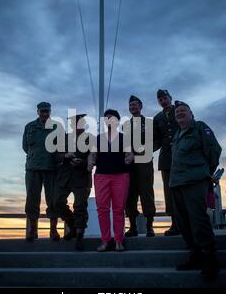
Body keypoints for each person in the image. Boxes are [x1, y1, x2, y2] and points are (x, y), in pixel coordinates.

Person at [169, 100, 222, 278]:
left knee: (197, 218)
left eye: (183, 110)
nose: (179, 113)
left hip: (195, 181)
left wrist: (205, 171)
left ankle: (210, 258)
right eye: (177, 112)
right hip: (176, 183)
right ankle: (195, 254)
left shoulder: (200, 127)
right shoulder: (177, 134)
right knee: (183, 221)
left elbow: (214, 150)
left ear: (191, 113)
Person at [88, 109, 134, 252]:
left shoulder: (124, 138)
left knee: (119, 209)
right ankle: (105, 240)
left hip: (120, 176)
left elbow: (130, 154)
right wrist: (90, 163)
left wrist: (128, 159)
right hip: (102, 176)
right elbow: (92, 155)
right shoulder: (98, 138)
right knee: (102, 209)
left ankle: (119, 240)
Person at [23, 102, 60, 241]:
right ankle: (33, 230)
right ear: (38, 111)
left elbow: (60, 147)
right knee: (32, 200)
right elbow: (25, 147)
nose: (45, 114)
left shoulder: (56, 127)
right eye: (42, 111)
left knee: (53, 200)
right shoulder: (29, 127)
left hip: (51, 168)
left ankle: (53, 230)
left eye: (47, 111)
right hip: (33, 168)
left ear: (50, 112)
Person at [54, 114, 91, 251]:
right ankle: (73, 226)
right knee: (57, 202)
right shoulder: (63, 138)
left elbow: (95, 157)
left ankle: (80, 236)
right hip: (64, 177)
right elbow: (55, 156)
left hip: (81, 177)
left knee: (80, 205)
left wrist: (82, 162)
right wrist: (65, 156)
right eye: (74, 123)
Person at [124, 95, 156, 238]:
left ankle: (150, 227)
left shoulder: (148, 123)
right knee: (130, 196)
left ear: (141, 107)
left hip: (144, 164)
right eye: (131, 105)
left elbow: (156, 141)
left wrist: (147, 149)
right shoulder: (126, 125)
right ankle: (133, 227)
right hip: (130, 165)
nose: (133, 107)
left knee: (146, 194)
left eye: (135, 105)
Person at [153, 89, 180, 236]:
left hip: (181, 157)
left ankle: (185, 223)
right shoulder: (158, 117)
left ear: (170, 97)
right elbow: (156, 140)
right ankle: (175, 224)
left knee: (183, 190)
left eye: (165, 98)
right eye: (160, 99)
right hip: (166, 159)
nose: (163, 101)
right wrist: (146, 150)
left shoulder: (180, 110)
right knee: (169, 192)